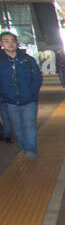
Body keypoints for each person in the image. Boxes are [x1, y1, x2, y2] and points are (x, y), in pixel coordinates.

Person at [0, 31, 43, 160]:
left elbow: (37, 78)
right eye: (6, 41)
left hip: (29, 100)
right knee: (17, 127)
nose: (10, 43)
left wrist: (32, 93)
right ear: (1, 44)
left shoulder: (27, 59)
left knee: (29, 125)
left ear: (16, 42)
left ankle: (30, 150)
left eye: (12, 40)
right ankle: (26, 147)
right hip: (10, 101)